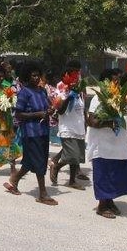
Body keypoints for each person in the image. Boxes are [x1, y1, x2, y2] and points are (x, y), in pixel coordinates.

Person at [3, 62, 58, 206]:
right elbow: (19, 114)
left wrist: (49, 111)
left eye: (38, 75)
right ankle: (42, 193)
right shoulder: (24, 92)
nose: (36, 77)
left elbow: (46, 108)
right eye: (33, 75)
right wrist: (37, 114)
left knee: (29, 161)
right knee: (40, 161)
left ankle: (14, 180)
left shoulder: (42, 91)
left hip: (44, 130)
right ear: (27, 76)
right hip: (31, 132)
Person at [86, 68, 127, 218]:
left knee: (116, 173)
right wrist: (108, 123)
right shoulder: (98, 98)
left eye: (118, 80)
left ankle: (109, 201)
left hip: (118, 145)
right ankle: (102, 205)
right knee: (104, 174)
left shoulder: (121, 98)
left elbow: (124, 122)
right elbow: (91, 121)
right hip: (102, 145)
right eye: (114, 80)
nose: (117, 83)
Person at [49, 60, 87, 190]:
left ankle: (72, 181)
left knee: (76, 158)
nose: (77, 75)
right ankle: (56, 166)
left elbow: (82, 106)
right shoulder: (61, 87)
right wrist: (69, 97)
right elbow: (59, 109)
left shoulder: (79, 86)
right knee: (72, 154)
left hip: (79, 125)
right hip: (67, 126)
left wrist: (85, 121)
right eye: (75, 73)